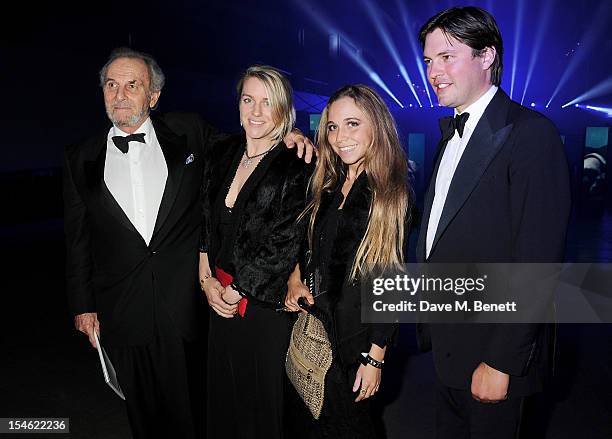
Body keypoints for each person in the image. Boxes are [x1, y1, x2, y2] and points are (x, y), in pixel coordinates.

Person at [64, 48, 314, 439]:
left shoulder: (190, 131)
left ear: (154, 96)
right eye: (112, 85)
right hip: (121, 309)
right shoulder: (80, 157)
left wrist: (291, 134)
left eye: (133, 85)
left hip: (186, 306)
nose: (121, 94)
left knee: (198, 413)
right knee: (141, 416)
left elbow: (250, 144)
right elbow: (77, 239)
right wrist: (83, 306)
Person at [416, 7, 571, 439]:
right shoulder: (447, 137)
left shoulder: (530, 133)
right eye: (429, 60)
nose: (434, 71)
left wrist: (503, 360)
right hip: (449, 349)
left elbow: (538, 260)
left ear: (487, 56)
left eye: (447, 56)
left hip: (494, 355)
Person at [284, 85, 413, 438]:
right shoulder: (329, 182)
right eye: (333, 126)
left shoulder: (390, 195)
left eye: (353, 124)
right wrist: (296, 278)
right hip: (315, 336)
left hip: (354, 345)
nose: (340, 137)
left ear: (377, 127)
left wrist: (376, 357)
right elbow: (307, 245)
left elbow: (392, 284)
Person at [199, 65, 313, 439]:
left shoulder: (296, 164)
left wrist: (238, 290)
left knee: (261, 403)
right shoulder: (221, 151)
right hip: (218, 296)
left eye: (268, 102)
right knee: (224, 396)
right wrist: (206, 281)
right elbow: (205, 219)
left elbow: (286, 240)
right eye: (249, 99)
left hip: (262, 307)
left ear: (284, 110)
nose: (257, 112)